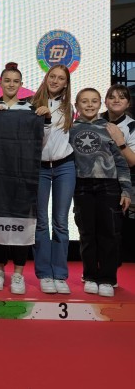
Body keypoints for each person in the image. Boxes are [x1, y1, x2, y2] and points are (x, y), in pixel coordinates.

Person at [0, 62, 50, 295]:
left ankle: (18, 273)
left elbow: (41, 141)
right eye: (7, 80)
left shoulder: (31, 110)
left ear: (21, 84)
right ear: (0, 83)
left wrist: (44, 118)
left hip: (24, 174)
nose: (11, 84)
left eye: (15, 81)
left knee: (23, 221)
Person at [70, 88, 131, 297]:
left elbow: (121, 163)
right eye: (84, 101)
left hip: (109, 187)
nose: (89, 105)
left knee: (109, 233)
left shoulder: (110, 129)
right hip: (82, 187)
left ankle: (107, 278)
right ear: (76, 105)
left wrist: (126, 191)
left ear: (100, 104)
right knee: (87, 233)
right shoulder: (70, 129)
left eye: (94, 101)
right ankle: (89, 275)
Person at [31, 65, 75, 294]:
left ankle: (60, 274)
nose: (56, 81)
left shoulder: (69, 107)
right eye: (52, 76)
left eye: (61, 78)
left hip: (64, 166)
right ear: (46, 78)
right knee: (41, 221)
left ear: (66, 83)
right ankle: (44, 274)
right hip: (39, 168)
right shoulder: (32, 103)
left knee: (60, 221)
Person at [101, 84, 135, 285]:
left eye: (121, 97)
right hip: (91, 182)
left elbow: (132, 161)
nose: (116, 100)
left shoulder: (132, 126)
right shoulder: (94, 120)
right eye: (111, 97)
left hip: (117, 184)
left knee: (112, 231)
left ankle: (109, 274)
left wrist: (120, 141)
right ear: (105, 101)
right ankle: (91, 271)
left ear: (128, 103)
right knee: (91, 228)